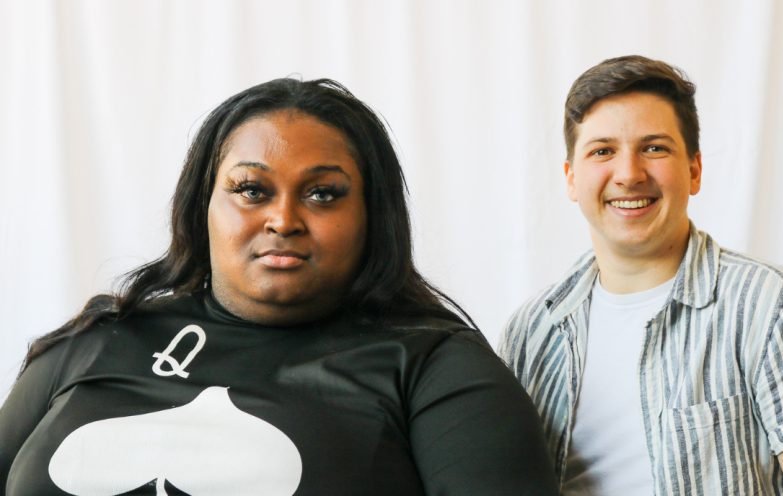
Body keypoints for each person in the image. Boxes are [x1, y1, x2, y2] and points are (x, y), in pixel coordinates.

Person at [0, 78, 559, 495]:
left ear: (373, 215)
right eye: (251, 189)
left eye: (323, 194)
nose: (283, 219)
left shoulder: (436, 369)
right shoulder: (93, 342)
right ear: (203, 205)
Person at [499, 55, 783, 495]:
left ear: (694, 170)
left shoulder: (776, 309)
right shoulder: (529, 334)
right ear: (570, 178)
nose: (628, 174)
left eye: (654, 148)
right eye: (602, 151)